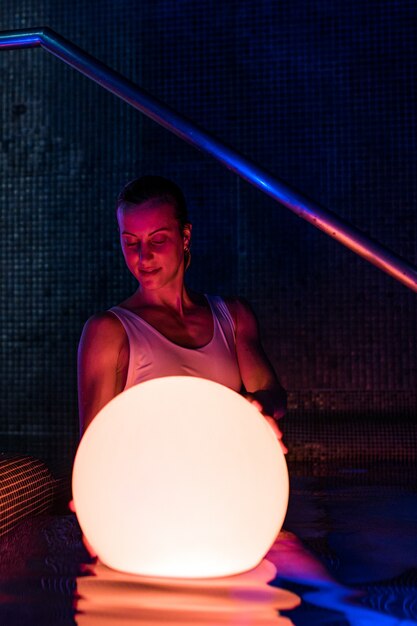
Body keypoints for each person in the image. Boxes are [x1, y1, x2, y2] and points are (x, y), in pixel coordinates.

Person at [77, 176, 287, 450]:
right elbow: (93, 445)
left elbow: (272, 392)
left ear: (184, 237)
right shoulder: (108, 332)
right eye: (131, 242)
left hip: (225, 483)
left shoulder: (233, 317)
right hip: (149, 488)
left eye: (158, 240)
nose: (144, 256)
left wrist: (258, 408)